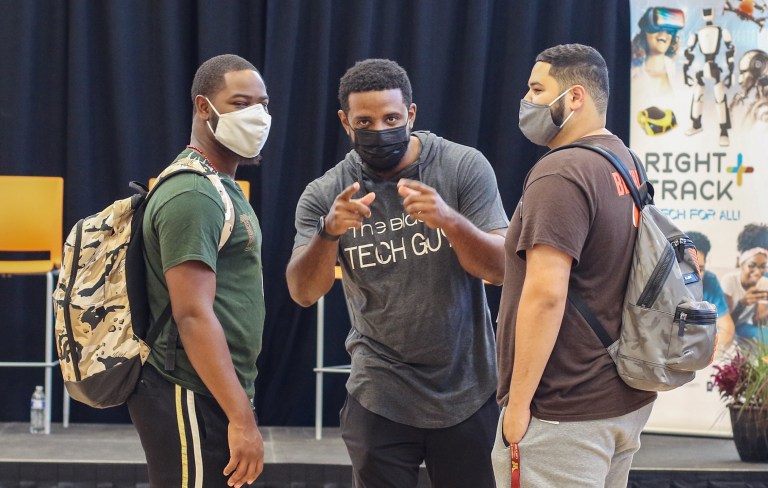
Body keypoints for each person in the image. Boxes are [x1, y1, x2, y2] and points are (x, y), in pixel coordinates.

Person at [286, 58, 508, 488]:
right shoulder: (325, 193)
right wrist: (328, 233)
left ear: (411, 114)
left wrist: (450, 221)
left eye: (391, 118)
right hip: (379, 388)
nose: (380, 130)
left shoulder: (462, 166)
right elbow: (302, 292)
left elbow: (500, 270)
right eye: (365, 121)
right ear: (345, 123)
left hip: (468, 386)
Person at [493, 44, 656, 488]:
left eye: (537, 89)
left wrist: (519, 405)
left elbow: (546, 295)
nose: (527, 101)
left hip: (562, 409)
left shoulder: (560, 173)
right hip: (620, 397)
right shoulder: (624, 161)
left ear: (576, 96)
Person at [127, 54, 271, 488]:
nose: (257, 116)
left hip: (213, 392)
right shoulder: (192, 193)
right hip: (188, 389)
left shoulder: (217, 184)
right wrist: (241, 418)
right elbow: (192, 315)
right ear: (204, 107)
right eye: (240, 103)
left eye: (263, 104)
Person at [687, 231, 736, 354]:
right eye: (690, 268)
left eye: (701, 269)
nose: (696, 276)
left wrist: (703, 357)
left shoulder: (709, 281)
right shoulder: (665, 282)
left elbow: (727, 329)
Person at [721, 224, 768, 344]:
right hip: (724, 327)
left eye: (762, 266)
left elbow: (758, 320)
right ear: (741, 264)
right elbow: (725, 322)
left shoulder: (763, 282)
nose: (758, 272)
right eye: (752, 266)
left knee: (765, 337)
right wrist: (742, 303)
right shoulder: (729, 281)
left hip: (742, 327)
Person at [631, 7, 685, 97]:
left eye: (669, 30)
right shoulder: (632, 73)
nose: (663, 33)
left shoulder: (677, 72)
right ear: (645, 33)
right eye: (656, 28)